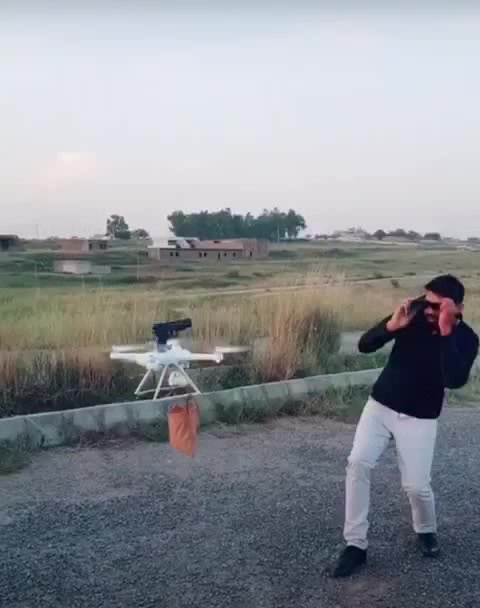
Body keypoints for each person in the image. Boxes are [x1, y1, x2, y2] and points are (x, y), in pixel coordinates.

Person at [332, 274, 479, 578]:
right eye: (426, 301)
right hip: (381, 405)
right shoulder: (412, 315)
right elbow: (364, 345)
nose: (428, 309)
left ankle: (425, 529)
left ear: (458, 308)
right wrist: (390, 327)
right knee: (357, 463)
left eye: (437, 306)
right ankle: (355, 544)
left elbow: (454, 379)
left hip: (421, 416)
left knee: (416, 486)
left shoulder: (467, 338)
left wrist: (446, 333)